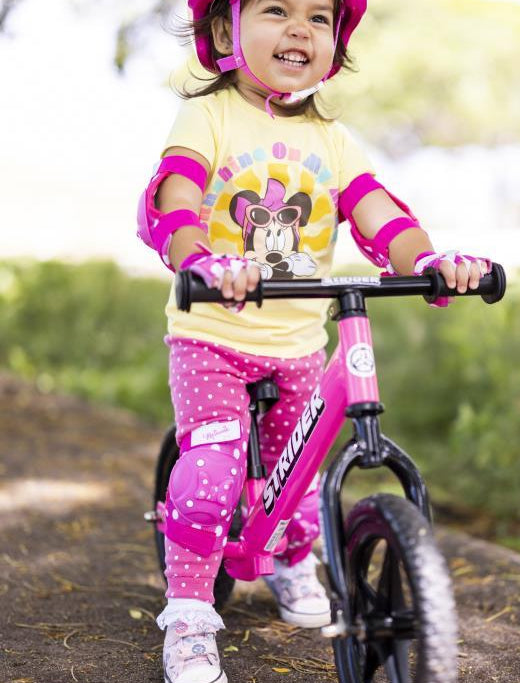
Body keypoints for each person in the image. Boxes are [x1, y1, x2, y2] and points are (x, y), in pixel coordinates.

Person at [137, 0, 491, 680]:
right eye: (276, 9)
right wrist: (199, 258)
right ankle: (188, 615)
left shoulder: (333, 139)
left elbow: (381, 214)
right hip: (212, 335)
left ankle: (295, 557)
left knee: (298, 477)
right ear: (224, 29)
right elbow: (176, 198)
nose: (300, 28)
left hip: (298, 340)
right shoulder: (208, 116)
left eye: (319, 17)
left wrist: (425, 259)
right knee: (210, 475)